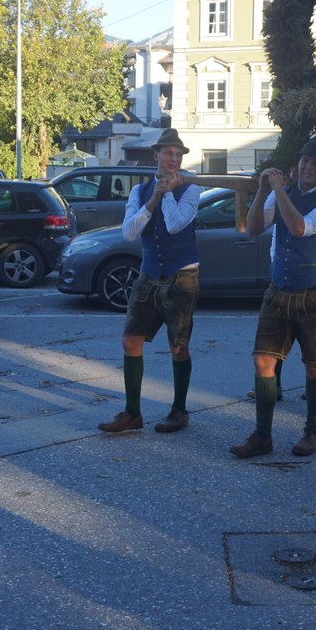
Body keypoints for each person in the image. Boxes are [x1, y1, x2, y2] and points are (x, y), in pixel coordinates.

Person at [231, 136, 316, 458]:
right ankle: (262, 435)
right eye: (305, 161)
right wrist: (263, 190)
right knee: (263, 360)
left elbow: (298, 228)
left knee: (315, 365)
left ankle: (311, 432)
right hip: (279, 288)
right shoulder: (282, 192)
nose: (308, 167)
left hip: (314, 293)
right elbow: (253, 228)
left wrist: (279, 190)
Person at [98, 128, 201, 434]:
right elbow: (129, 232)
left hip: (182, 274)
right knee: (131, 339)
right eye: (168, 153)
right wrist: (154, 197)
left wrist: (167, 192)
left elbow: (175, 225)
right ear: (156, 155)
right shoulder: (139, 192)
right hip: (149, 273)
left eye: (177, 154)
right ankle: (132, 413)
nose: (173, 159)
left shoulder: (191, 189)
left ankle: (179, 411)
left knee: (178, 345)